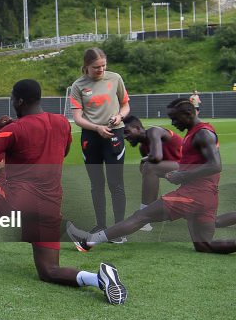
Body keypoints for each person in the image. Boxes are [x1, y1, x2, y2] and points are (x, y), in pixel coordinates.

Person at [0, 79, 128, 305]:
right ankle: (99, 279)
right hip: (50, 206)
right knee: (48, 271)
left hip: (18, 200)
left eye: (12, 98)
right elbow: (63, 151)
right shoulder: (61, 123)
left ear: (20, 101)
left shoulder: (16, 128)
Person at [67, 99, 236, 255]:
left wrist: (181, 175)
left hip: (194, 195)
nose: (173, 123)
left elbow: (215, 165)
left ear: (188, 114)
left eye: (175, 118)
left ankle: (87, 241)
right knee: (204, 245)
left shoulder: (203, 133)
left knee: (141, 217)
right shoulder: (196, 133)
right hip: (207, 196)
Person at [69, 47, 130, 240]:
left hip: (114, 134)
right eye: (96, 67)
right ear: (86, 67)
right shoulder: (78, 86)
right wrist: (96, 128)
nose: (101, 70)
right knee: (96, 184)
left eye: (104, 66)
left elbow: (126, 104)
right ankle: (101, 225)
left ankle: (118, 231)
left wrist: (119, 115)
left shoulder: (115, 79)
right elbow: (77, 118)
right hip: (91, 137)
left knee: (116, 183)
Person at [122, 115, 184, 231]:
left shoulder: (154, 131)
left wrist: (144, 160)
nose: (125, 136)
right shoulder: (143, 147)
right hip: (181, 171)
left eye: (127, 131)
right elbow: (149, 172)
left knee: (150, 166)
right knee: (149, 168)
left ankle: (144, 215)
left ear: (137, 127)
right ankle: (149, 213)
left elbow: (156, 157)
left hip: (195, 167)